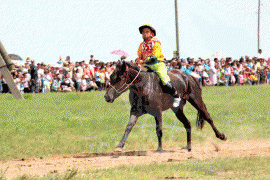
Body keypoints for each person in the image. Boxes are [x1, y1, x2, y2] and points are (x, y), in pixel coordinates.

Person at [135, 23, 181, 107]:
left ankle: (176, 96)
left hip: (157, 64)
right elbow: (139, 55)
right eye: (143, 32)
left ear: (152, 34)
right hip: (146, 65)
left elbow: (155, 55)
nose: (144, 34)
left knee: (164, 80)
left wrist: (145, 60)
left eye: (147, 32)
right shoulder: (141, 45)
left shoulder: (155, 42)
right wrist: (138, 60)